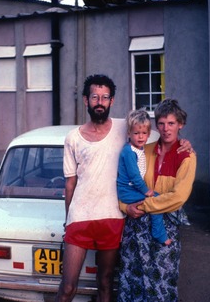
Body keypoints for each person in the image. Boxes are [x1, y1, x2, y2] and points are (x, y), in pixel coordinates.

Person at [117, 99, 196, 302]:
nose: (166, 129)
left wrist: (145, 206)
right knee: (132, 281)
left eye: (171, 123)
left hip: (164, 226)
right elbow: (126, 181)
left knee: (162, 283)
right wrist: (125, 207)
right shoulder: (145, 148)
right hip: (135, 226)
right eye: (161, 123)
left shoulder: (186, 155)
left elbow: (178, 197)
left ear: (181, 125)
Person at [56, 74, 126, 302]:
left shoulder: (124, 128)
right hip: (80, 217)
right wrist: (68, 220)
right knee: (67, 288)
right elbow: (70, 183)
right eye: (95, 96)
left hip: (112, 217)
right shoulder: (73, 138)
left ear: (112, 101)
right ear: (86, 100)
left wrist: (181, 143)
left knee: (105, 284)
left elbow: (158, 135)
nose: (100, 102)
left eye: (105, 97)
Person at [117, 109, 171, 245]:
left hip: (133, 190)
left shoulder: (140, 148)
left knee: (158, 197)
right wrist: (146, 191)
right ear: (129, 133)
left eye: (144, 133)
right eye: (136, 133)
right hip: (127, 191)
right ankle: (158, 233)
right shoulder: (129, 151)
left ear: (148, 134)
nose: (140, 137)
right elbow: (134, 177)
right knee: (155, 201)